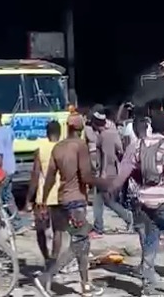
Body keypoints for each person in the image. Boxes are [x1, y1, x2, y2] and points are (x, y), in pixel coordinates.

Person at [99, 112, 164, 296]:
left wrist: (112, 189)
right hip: (163, 201)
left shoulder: (140, 144)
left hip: (144, 200)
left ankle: (148, 286)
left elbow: (128, 172)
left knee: (151, 241)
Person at [34, 115, 102, 297]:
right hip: (76, 201)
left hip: (62, 199)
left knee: (83, 243)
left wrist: (43, 200)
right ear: (80, 130)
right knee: (79, 243)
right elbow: (86, 176)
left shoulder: (58, 147)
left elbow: (49, 177)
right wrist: (103, 183)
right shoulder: (80, 146)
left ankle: (85, 285)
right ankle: (46, 277)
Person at [27, 121, 66, 268]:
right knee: (58, 230)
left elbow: (36, 174)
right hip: (59, 195)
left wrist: (29, 198)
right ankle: (54, 261)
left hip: (42, 197)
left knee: (40, 230)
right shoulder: (63, 148)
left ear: (46, 133)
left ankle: (46, 258)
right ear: (59, 133)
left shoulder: (40, 149)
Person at [92, 112, 133, 235]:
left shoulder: (103, 136)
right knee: (104, 200)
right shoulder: (113, 133)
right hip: (114, 171)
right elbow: (120, 150)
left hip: (105, 172)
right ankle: (100, 225)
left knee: (101, 200)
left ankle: (125, 217)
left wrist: (103, 172)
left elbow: (105, 155)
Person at [0, 111, 23, 231]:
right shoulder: (8, 130)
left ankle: (13, 223)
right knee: (8, 196)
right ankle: (16, 222)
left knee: (0, 198)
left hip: (3, 171)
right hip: (11, 168)